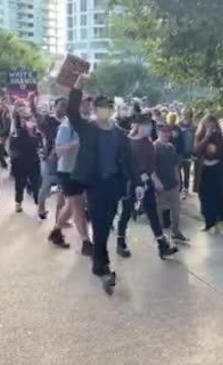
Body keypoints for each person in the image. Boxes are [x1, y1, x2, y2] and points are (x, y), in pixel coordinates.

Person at [58, 74, 132, 286]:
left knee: (106, 224)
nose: (103, 111)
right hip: (95, 184)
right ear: (95, 110)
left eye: (107, 108)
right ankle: (102, 264)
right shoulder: (87, 128)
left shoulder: (119, 133)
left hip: (113, 185)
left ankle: (99, 263)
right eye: (100, 108)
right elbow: (72, 113)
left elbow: (127, 162)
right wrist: (77, 87)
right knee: (99, 224)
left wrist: (131, 185)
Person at [116, 113, 179, 259]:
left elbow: (150, 166)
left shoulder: (148, 143)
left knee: (152, 213)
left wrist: (153, 180)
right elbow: (124, 164)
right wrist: (135, 179)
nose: (149, 127)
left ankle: (162, 245)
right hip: (130, 182)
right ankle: (120, 242)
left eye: (149, 124)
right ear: (137, 125)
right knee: (126, 212)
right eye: (146, 124)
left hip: (146, 181)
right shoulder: (127, 141)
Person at [49, 103, 92, 253]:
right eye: (85, 102)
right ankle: (86, 243)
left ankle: (56, 231)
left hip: (82, 171)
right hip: (68, 172)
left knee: (70, 206)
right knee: (78, 207)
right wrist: (78, 144)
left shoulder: (87, 124)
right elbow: (59, 151)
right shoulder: (66, 126)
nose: (89, 106)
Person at [154, 124, 188, 242]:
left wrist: (178, 179)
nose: (166, 134)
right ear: (158, 132)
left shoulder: (171, 147)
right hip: (160, 185)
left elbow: (175, 165)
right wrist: (156, 182)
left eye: (168, 132)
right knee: (159, 211)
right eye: (163, 132)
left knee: (176, 209)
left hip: (172, 183)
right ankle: (159, 236)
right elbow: (151, 167)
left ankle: (176, 231)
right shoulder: (155, 147)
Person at [195, 114, 223, 231]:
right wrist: (206, 138)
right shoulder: (200, 136)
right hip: (204, 169)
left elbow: (221, 151)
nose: (210, 126)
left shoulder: (219, 136)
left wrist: (215, 149)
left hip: (217, 168)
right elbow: (198, 150)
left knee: (218, 195)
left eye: (212, 123)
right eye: (207, 124)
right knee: (204, 195)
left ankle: (218, 219)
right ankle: (208, 221)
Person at [37, 97, 67, 221]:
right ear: (55, 106)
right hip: (51, 157)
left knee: (62, 188)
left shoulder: (68, 121)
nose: (64, 108)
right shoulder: (48, 120)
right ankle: (41, 208)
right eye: (61, 105)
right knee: (46, 185)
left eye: (65, 105)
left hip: (65, 158)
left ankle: (58, 218)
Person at [9, 102, 42, 213]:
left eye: (25, 117)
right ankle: (18, 203)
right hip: (20, 161)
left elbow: (39, 143)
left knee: (36, 183)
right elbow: (12, 147)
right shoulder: (15, 132)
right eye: (21, 117)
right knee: (20, 183)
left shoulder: (34, 129)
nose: (24, 120)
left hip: (33, 159)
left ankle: (39, 205)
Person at [178, 108, 196, 195]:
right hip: (180, 151)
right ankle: (180, 186)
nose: (185, 115)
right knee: (178, 170)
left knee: (187, 170)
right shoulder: (179, 125)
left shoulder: (193, 126)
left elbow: (195, 140)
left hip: (189, 151)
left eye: (187, 113)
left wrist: (194, 152)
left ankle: (186, 187)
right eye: (184, 113)